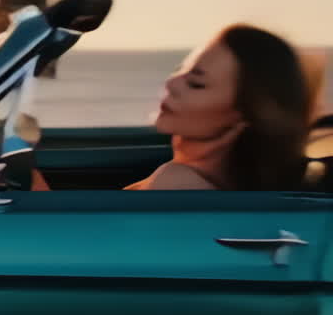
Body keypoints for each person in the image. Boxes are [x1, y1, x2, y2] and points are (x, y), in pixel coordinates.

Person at [125, 25, 313, 191]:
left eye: (195, 83)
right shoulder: (186, 178)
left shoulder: (177, 183)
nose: (172, 83)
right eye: (180, 71)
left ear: (245, 115)